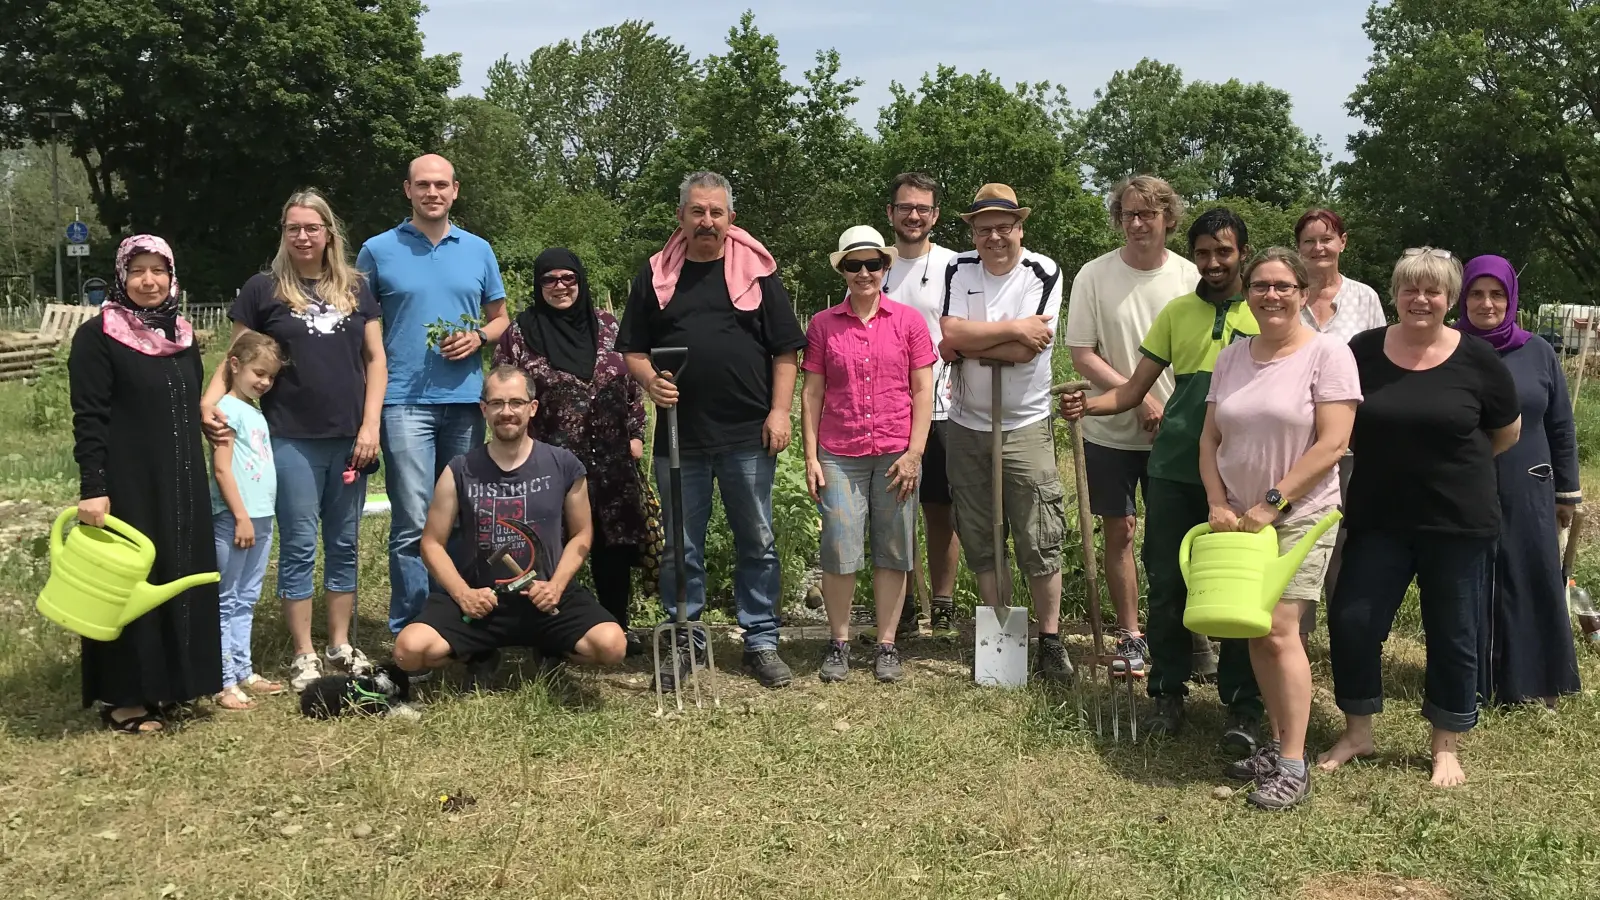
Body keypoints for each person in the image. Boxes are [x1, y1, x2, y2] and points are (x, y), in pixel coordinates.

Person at [1060, 208, 1265, 751]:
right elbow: (1131, 393)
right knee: (1169, 581)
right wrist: (1089, 404)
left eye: (1224, 252)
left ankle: (1243, 702)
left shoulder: (1267, 312)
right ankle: (1167, 692)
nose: (1213, 263)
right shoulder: (1177, 313)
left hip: (1242, 472)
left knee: (1240, 588)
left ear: (1243, 251)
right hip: (1174, 467)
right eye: (1203, 253)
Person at [1318, 248, 1521, 788]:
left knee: (1452, 634)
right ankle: (1358, 729)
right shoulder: (1363, 351)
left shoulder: (1478, 360)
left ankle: (1445, 744)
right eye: (1411, 288)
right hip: (1378, 517)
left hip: (1457, 521)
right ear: (1395, 294)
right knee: (1353, 621)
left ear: (1450, 299)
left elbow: (1507, 432)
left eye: (1433, 290)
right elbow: (1342, 418)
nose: (1421, 299)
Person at [616, 171, 808, 690]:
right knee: (681, 544)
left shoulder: (757, 273)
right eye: (697, 211)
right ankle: (685, 638)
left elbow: (786, 350)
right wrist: (650, 380)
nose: (707, 221)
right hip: (680, 435)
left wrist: (779, 412)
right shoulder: (656, 276)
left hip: (749, 432)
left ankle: (761, 640)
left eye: (716, 212)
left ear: (730, 219)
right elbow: (631, 350)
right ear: (680, 216)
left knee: (758, 540)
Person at [203, 189, 387, 691]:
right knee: (301, 544)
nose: (303, 236)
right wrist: (208, 403)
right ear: (283, 233)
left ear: (330, 233)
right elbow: (235, 357)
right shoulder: (262, 289)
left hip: (351, 438)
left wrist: (370, 426)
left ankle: (341, 643)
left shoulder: (356, 287)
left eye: (312, 227)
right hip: (289, 438)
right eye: (293, 228)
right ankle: (304, 652)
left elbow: (375, 360)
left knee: (345, 543)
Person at [1199, 248, 1360, 809]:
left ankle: (1292, 762)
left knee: (1278, 630)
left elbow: (1333, 444)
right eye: (1261, 285)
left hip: (1300, 516)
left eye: (1283, 286)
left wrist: (1272, 502)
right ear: (1247, 291)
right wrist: (1218, 501)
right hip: (1238, 520)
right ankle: (1277, 740)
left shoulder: (1328, 355)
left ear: (1301, 291)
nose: (1271, 295)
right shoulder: (1232, 357)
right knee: (1255, 633)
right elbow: (1209, 439)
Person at [69, 235, 222, 734]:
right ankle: (126, 697)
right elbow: (89, 417)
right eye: (138, 271)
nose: (149, 281)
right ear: (121, 276)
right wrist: (93, 486)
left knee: (177, 573)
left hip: (181, 480)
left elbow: (184, 403)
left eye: (158, 270)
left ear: (172, 276)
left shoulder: (181, 335)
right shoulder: (99, 337)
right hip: (129, 482)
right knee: (132, 584)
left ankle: (174, 685)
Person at [391, 367, 627, 679]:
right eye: (497, 403)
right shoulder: (460, 470)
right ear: (483, 409)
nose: (507, 412)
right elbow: (431, 543)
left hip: (545, 598)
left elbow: (582, 533)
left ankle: (551, 646)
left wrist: (556, 587)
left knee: (611, 646)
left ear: (533, 408)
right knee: (409, 652)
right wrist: (463, 595)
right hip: (481, 602)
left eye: (516, 402)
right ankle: (478, 651)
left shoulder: (564, 464)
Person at [358, 154, 510, 637]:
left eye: (441, 185)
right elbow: (361, 322)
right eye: (423, 185)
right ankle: (413, 625)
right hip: (402, 400)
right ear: (407, 190)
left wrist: (479, 338)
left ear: (455, 190)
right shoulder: (377, 250)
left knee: (463, 516)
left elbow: (501, 316)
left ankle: (460, 622)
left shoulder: (478, 249)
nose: (432, 193)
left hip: (466, 400)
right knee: (413, 520)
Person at [1063, 175, 1198, 676]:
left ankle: (1186, 634)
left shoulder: (1189, 278)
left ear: (1168, 218)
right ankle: (1131, 635)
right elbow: (1081, 353)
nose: (1137, 223)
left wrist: (1172, 411)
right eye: (1127, 214)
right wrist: (1136, 399)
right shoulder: (1094, 276)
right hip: (1111, 432)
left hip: (1177, 432)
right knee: (1119, 530)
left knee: (1176, 535)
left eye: (1148, 214)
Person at [937, 183, 1072, 683]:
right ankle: (1000, 636)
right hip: (967, 424)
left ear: (1020, 227)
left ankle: (1051, 640)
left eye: (1004, 227)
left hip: (1025, 424)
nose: (995, 237)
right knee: (981, 535)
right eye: (984, 228)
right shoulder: (958, 268)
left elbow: (1029, 350)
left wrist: (978, 342)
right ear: (972, 231)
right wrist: (1012, 329)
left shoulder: (1044, 269)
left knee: (1039, 535)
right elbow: (949, 335)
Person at [494, 248, 649, 657]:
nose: (560, 286)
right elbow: (505, 391)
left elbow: (633, 383)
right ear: (537, 284)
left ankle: (616, 626)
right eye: (550, 280)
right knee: (554, 545)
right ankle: (553, 630)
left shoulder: (609, 326)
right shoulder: (521, 332)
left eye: (568, 278)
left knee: (612, 547)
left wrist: (636, 435)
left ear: (580, 281)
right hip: (551, 464)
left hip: (613, 460)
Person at [803, 226, 936, 683]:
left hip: (897, 452)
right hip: (839, 451)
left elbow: (923, 389)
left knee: (894, 548)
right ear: (842, 269)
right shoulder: (823, 324)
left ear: (885, 267)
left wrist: (916, 453)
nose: (864, 273)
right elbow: (813, 392)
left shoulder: (909, 322)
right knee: (839, 547)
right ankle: (838, 642)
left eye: (872, 264)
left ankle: (886, 644)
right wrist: (811, 456)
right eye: (853, 265)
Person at [1456, 255, 1581, 708]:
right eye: (1476, 293)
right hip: (1465, 481)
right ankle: (1474, 681)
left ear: (1511, 300)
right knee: (1471, 577)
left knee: (1532, 574)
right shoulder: (1450, 346)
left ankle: (1537, 679)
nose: (1486, 303)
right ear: (1462, 296)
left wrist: (1567, 491)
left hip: (1529, 479)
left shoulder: (1538, 350)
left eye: (1497, 295)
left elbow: (1561, 425)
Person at [1294, 208, 1388, 640]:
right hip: (1295, 443)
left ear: (1342, 243)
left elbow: (1380, 364)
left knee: (1347, 540)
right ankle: (1298, 632)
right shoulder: (1287, 296)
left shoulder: (1364, 298)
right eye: (1309, 241)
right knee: (1300, 537)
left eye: (1326, 239)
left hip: (1352, 442)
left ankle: (1347, 632)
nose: (1318, 248)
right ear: (1299, 248)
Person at [882, 173, 961, 635]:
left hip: (947, 406)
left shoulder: (956, 265)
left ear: (935, 215)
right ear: (890, 213)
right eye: (905, 207)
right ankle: (907, 604)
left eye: (923, 209)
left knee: (940, 508)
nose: (914, 216)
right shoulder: (875, 265)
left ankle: (945, 603)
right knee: (898, 509)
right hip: (891, 410)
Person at [208, 333, 288, 710]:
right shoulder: (225, 409)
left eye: (270, 377)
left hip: (261, 517)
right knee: (226, 599)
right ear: (235, 365)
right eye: (259, 373)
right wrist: (240, 516)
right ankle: (222, 680)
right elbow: (222, 470)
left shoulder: (254, 411)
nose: (264, 382)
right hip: (234, 519)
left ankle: (243, 670)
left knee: (247, 597)